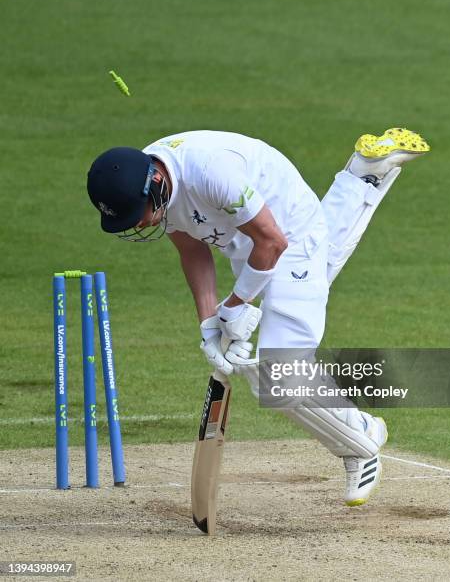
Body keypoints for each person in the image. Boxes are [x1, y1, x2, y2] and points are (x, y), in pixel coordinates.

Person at [87, 127, 430, 506]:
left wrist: (236, 305)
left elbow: (274, 242)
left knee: (280, 378)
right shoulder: (152, 181)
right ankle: (366, 172)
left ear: (156, 183)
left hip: (288, 233)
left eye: (139, 214)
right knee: (318, 272)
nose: (141, 224)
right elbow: (192, 250)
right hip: (243, 238)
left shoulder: (211, 173)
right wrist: (209, 323)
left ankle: (361, 443)